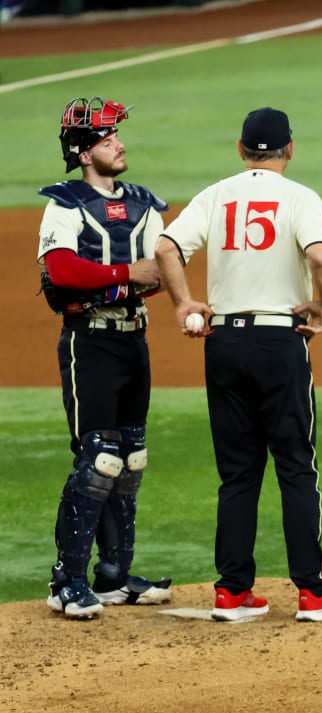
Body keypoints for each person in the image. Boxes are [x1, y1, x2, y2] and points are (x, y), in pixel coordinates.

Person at [153, 107, 322, 623]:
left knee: (238, 473)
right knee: (294, 466)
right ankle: (312, 593)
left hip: (223, 343)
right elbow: (320, 258)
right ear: (290, 149)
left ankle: (233, 591)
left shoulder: (216, 194)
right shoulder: (300, 197)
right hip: (278, 343)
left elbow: (166, 246)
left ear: (241, 150)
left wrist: (183, 302)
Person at [37, 96, 174, 620]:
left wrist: (136, 284)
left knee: (131, 460)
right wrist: (125, 277)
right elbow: (62, 271)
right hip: (88, 342)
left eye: (116, 135)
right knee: (98, 459)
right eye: (106, 138)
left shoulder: (143, 203)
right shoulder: (64, 204)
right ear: (84, 152)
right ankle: (66, 580)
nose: (118, 143)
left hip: (133, 340)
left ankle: (113, 577)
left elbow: (162, 268)